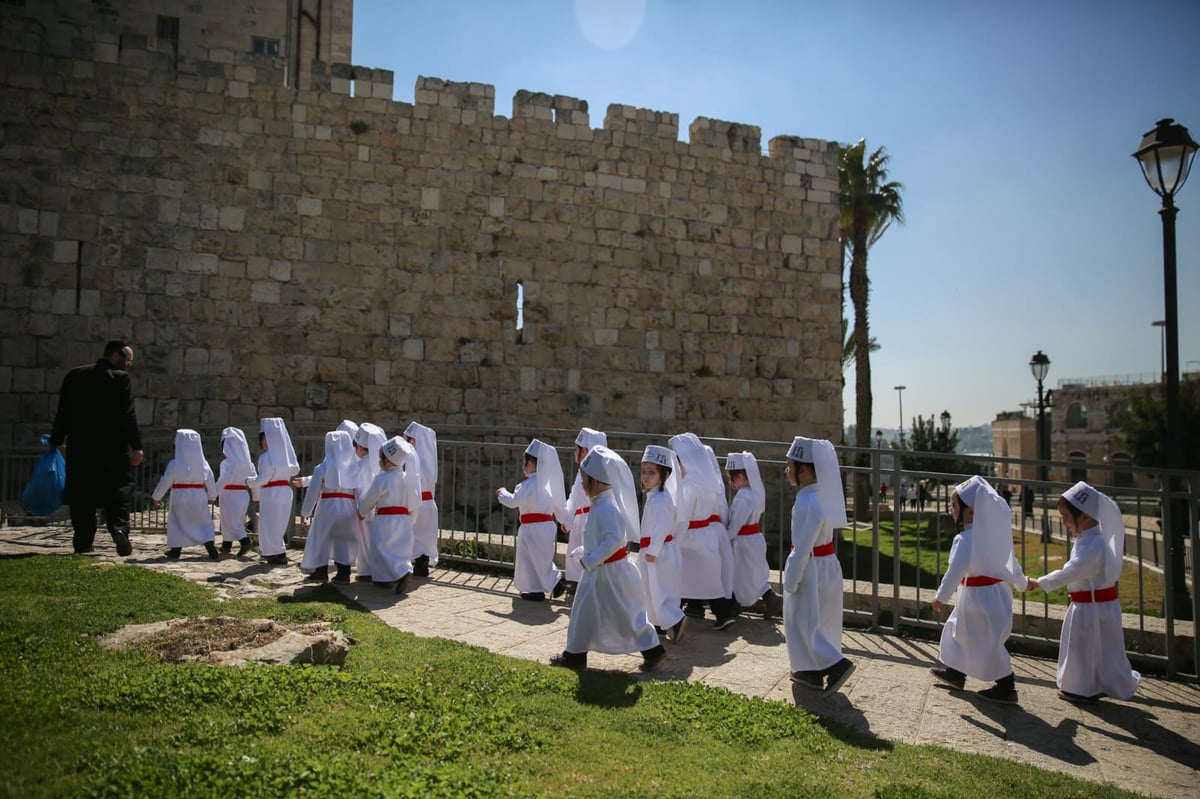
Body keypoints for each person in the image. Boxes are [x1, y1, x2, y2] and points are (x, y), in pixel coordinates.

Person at [550, 445, 666, 671]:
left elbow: (613, 541)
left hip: (609, 573)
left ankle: (652, 649)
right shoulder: (602, 504)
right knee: (585, 612)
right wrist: (585, 551)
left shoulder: (607, 507)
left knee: (625, 614)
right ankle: (575, 654)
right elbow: (602, 539)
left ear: (595, 481)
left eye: (584, 480)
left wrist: (590, 559)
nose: (582, 484)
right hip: (601, 571)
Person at [1027, 482, 1141, 703]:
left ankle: (1082, 688)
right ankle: (1091, 684)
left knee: (1085, 649)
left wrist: (1040, 582)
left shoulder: (1094, 545)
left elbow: (1073, 571)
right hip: (1089, 605)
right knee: (1092, 649)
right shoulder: (1087, 540)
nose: (1064, 522)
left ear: (1086, 516)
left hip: (1092, 608)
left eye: (1066, 515)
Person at [929, 475, 1028, 704]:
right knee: (960, 633)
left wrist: (941, 597)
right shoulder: (995, 537)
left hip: (977, 599)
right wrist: (1023, 584)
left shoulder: (965, 539)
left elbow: (955, 571)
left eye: (954, 506)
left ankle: (1007, 686)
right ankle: (955, 672)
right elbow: (1012, 565)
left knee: (984, 642)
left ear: (970, 511)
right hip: (993, 596)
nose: (950, 509)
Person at [48, 340, 144, 556]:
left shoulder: (74, 376)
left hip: (80, 450)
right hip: (113, 451)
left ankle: (83, 543)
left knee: (82, 498)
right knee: (118, 494)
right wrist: (137, 447)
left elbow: (63, 412)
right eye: (128, 360)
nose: (129, 365)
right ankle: (119, 530)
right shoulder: (119, 379)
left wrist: (55, 440)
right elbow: (127, 415)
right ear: (117, 355)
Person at [783, 436, 855, 695]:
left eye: (790, 466)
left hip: (809, 569)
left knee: (802, 622)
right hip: (826, 564)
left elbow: (802, 547)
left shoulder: (805, 501)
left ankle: (835, 665)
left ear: (804, 470)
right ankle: (807, 670)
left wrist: (791, 578)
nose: (786, 471)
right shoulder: (822, 495)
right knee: (822, 620)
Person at [669, 432, 738, 629]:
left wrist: (675, 539)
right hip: (706, 536)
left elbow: (683, 517)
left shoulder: (689, 487)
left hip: (690, 538)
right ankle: (723, 614)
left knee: (678, 579)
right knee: (710, 581)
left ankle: (671, 619)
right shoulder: (709, 484)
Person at [497, 439, 566, 601]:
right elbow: (558, 506)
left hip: (530, 528)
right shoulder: (549, 487)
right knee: (540, 558)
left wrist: (502, 493)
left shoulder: (526, 486)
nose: (524, 466)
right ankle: (535, 589)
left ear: (531, 465)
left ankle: (556, 582)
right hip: (547, 526)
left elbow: (513, 501)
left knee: (531, 560)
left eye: (525, 463)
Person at [358, 436, 421, 592]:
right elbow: (415, 500)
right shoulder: (409, 479)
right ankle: (403, 570)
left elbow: (370, 498)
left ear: (387, 461)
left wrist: (361, 511)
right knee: (401, 549)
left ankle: (389, 577)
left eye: (381, 457)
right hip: (404, 519)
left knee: (382, 548)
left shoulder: (382, 479)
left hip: (385, 520)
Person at [638, 445, 687, 642]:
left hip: (658, 552)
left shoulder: (661, 500)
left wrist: (653, 550)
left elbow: (662, 526)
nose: (645, 476)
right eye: (643, 472)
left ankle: (675, 620)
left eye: (651, 472)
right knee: (650, 590)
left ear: (664, 475)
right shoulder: (654, 497)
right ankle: (657, 624)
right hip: (653, 550)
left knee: (659, 591)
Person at [298, 430, 361, 583]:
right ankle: (343, 573)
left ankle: (321, 571)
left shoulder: (323, 467)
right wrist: (360, 508)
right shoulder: (355, 467)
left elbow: (313, 491)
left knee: (322, 538)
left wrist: (306, 511)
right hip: (348, 505)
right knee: (344, 539)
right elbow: (359, 489)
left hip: (327, 505)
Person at [725, 451, 782, 618]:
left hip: (743, 542)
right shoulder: (754, 494)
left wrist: (726, 537)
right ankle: (769, 597)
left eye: (732, 477)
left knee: (740, 574)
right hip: (753, 538)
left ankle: (735, 605)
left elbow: (736, 523)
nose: (730, 482)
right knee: (752, 573)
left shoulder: (742, 497)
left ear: (741, 476)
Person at [149, 429, 219, 561]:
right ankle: (210, 546)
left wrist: (156, 497)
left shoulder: (174, 464)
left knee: (177, 523)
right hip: (199, 495)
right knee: (202, 522)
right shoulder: (203, 464)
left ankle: (176, 550)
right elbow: (210, 480)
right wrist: (212, 496)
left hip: (180, 496)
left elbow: (166, 481)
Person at [558, 428, 608, 600]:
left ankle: (580, 583)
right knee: (576, 550)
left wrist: (566, 517)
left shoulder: (587, 472)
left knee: (582, 550)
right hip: (582, 516)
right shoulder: (590, 470)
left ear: (585, 451)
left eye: (577, 449)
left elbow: (576, 495)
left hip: (586, 517)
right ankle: (575, 581)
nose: (574, 453)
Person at [249, 417, 299, 565]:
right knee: (279, 524)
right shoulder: (287, 457)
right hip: (285, 491)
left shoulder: (266, 457)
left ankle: (271, 553)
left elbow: (263, 479)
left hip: (271, 492)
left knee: (269, 524)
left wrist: (250, 481)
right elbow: (295, 470)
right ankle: (279, 551)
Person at [351, 422, 387, 581]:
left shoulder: (360, 466)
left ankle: (366, 571)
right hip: (377, 508)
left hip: (364, 507)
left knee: (365, 541)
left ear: (359, 447)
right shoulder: (378, 466)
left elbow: (359, 487)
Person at [404, 421, 440, 577]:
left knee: (414, 535)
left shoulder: (416, 463)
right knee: (425, 538)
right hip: (429, 505)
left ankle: (414, 565)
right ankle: (422, 564)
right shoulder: (429, 463)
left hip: (417, 503)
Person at [215, 426, 256, 557]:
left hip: (229, 494)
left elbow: (223, 479)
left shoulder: (227, 463)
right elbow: (255, 479)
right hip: (243, 494)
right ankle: (226, 545)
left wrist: (212, 493)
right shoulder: (248, 464)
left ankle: (245, 541)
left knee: (231, 521)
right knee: (232, 519)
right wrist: (256, 496)